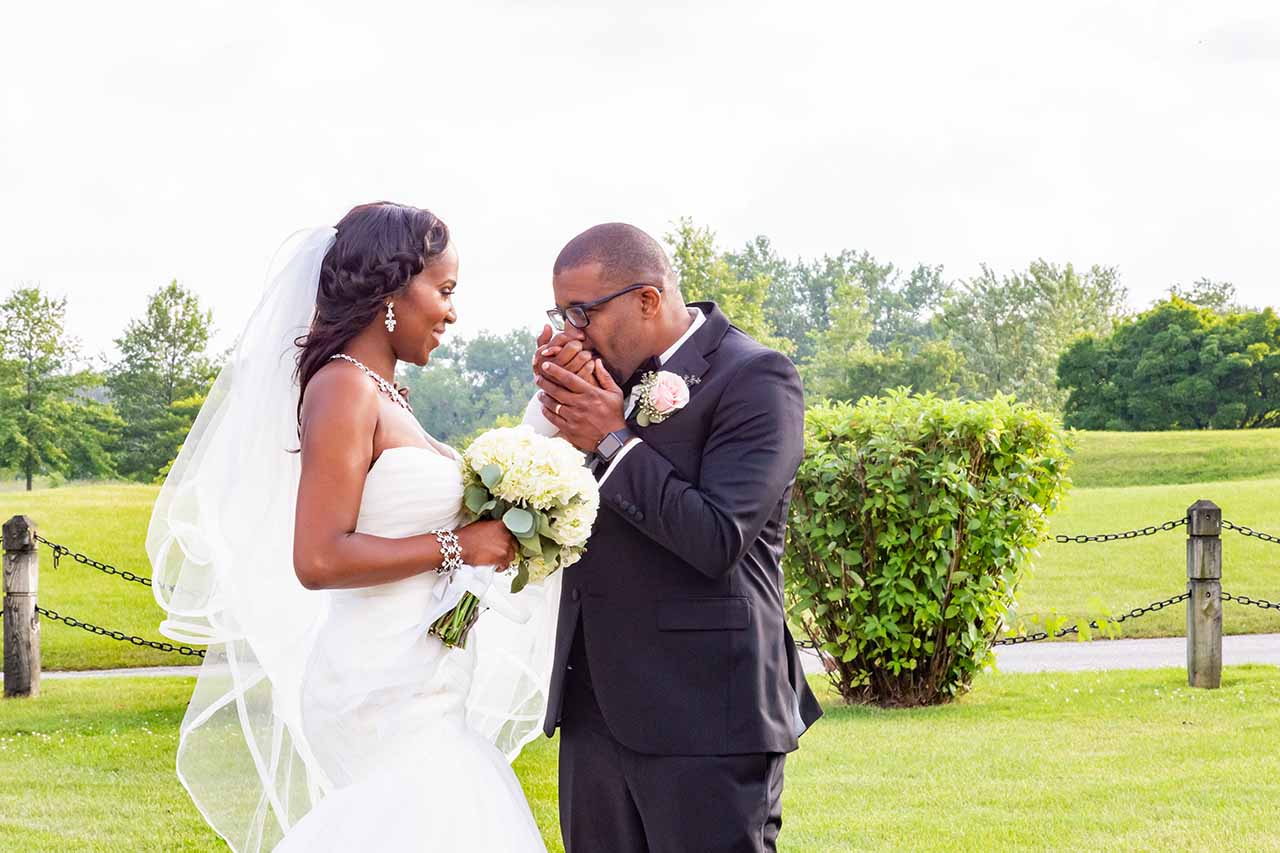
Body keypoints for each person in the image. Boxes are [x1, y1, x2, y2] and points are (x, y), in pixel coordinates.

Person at [148, 202, 556, 852]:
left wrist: (545, 410)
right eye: (445, 291)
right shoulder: (344, 388)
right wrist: (459, 545)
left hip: (421, 676)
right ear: (392, 290)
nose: (452, 311)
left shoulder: (387, 395)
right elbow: (318, 557)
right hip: (378, 683)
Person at [528, 223, 823, 853]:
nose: (570, 333)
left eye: (582, 313)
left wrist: (610, 440)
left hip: (708, 713)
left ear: (647, 299)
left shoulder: (757, 379)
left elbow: (719, 537)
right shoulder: (601, 383)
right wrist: (553, 420)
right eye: (561, 315)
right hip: (594, 709)